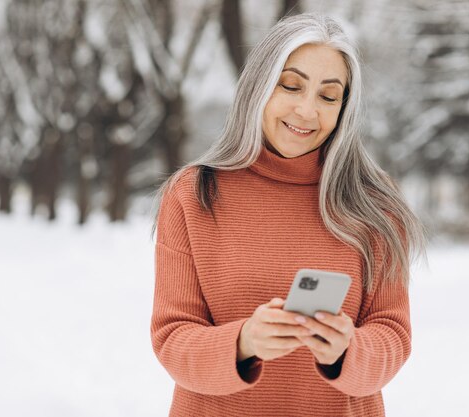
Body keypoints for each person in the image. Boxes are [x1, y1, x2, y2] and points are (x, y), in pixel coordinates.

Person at [150, 12, 426, 417]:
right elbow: (172, 338)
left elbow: (393, 335)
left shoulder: (375, 203)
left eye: (328, 96)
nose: (306, 111)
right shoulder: (193, 194)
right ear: (259, 86)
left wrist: (348, 349)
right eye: (291, 86)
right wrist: (243, 342)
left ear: (343, 109)